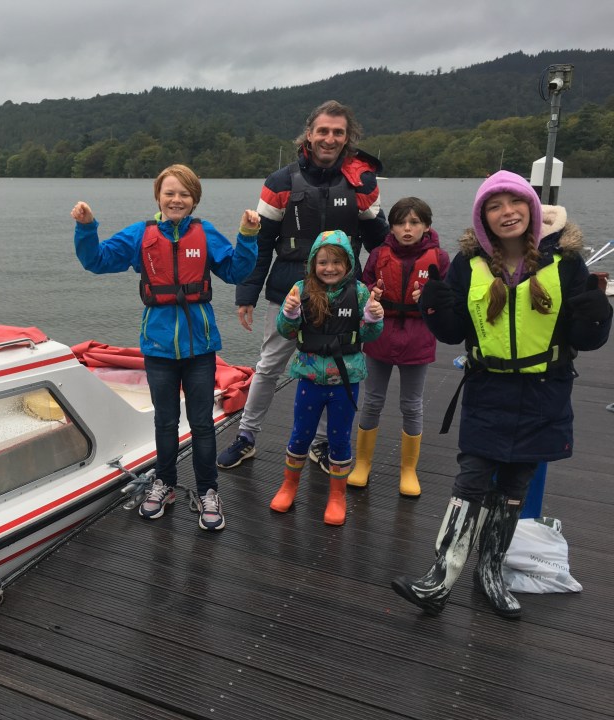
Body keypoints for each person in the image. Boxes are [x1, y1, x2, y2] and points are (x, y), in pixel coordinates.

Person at [392, 171, 611, 618]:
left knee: (513, 486)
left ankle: (489, 571)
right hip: (488, 387)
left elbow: (585, 339)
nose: (506, 212)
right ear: (482, 217)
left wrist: (596, 316)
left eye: (515, 202)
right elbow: (454, 332)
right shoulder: (467, 265)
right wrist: (433, 305)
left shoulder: (564, 264)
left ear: (531, 208)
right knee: (471, 480)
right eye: (495, 205)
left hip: (544, 391)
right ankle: (441, 577)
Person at [71, 164, 260, 531]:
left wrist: (248, 235)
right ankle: (165, 483)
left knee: (203, 424)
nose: (176, 200)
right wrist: (86, 227)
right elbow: (96, 261)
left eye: (184, 194)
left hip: (200, 349)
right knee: (165, 421)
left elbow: (237, 271)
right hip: (158, 349)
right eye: (169, 193)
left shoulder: (205, 234)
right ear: (159, 196)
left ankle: (209, 490)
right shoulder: (141, 235)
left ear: (194, 200)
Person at [217, 100, 389, 473]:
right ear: (309, 134)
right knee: (268, 367)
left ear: (348, 138)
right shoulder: (280, 182)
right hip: (289, 292)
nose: (330, 139)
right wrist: (245, 295)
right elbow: (260, 244)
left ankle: (323, 444)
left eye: (338, 132)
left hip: (344, 292)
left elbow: (383, 242)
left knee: (337, 364)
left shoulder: (360, 183)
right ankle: (246, 436)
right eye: (323, 131)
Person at [270, 230, 383, 526]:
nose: (329, 268)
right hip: (309, 377)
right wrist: (290, 313)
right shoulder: (299, 288)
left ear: (348, 264)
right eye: (322, 262)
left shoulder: (359, 292)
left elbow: (370, 335)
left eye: (336, 261)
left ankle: (337, 496)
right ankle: (289, 485)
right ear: (312, 264)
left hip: (346, 381)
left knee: (339, 438)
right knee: (300, 434)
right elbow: (286, 330)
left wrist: (373, 317)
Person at [348, 197, 450, 497]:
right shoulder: (379, 254)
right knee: (373, 400)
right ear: (391, 226)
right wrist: (372, 293)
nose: (407, 229)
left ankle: (409, 469)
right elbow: (362, 286)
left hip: (418, 337)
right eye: (401, 222)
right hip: (380, 333)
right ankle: (363, 463)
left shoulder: (440, 259)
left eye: (414, 222)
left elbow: (450, 298)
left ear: (426, 226)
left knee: (411, 404)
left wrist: (431, 300)